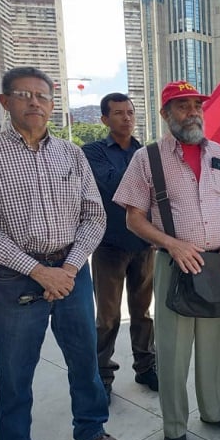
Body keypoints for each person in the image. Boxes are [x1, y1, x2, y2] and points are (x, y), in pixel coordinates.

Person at [0, 67, 126, 440]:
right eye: (24, 95)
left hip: (73, 272)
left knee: (84, 361)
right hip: (16, 279)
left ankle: (91, 430)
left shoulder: (71, 153)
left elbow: (94, 216)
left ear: (52, 105)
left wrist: (70, 269)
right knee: (15, 373)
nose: (34, 102)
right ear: (6, 102)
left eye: (42, 96)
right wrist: (39, 271)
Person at [113, 81, 220, 440]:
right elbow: (133, 218)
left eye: (196, 105)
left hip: (218, 264)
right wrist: (171, 243)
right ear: (165, 113)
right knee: (173, 353)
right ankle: (174, 428)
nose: (192, 112)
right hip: (174, 263)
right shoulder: (148, 158)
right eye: (182, 106)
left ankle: (216, 410)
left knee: (216, 347)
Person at [83, 93, 157, 403]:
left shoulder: (148, 152)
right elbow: (115, 185)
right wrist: (151, 183)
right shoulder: (93, 152)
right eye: (117, 113)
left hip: (144, 243)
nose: (126, 118)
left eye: (129, 112)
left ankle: (146, 366)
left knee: (142, 313)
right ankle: (102, 374)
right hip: (109, 245)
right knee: (108, 316)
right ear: (104, 119)